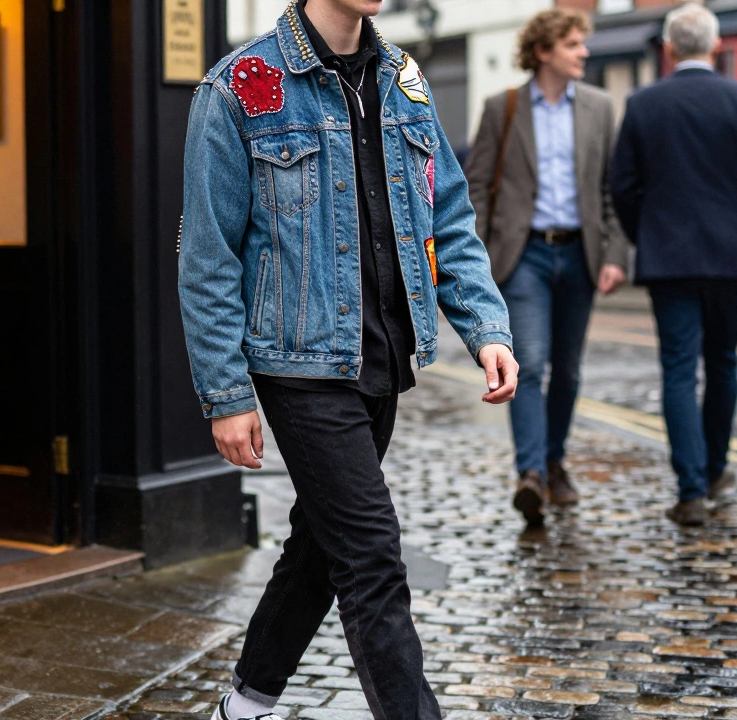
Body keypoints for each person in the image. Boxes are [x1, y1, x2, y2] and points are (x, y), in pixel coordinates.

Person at [177, 1, 519, 718]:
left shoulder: (402, 77)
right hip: (298, 364)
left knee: (320, 547)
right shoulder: (239, 87)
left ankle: (243, 703)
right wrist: (228, 393)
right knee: (371, 559)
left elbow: (448, 219)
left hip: (384, 358)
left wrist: (485, 326)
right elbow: (208, 257)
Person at [609, 2, 737, 526]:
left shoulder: (643, 104)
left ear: (668, 49)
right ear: (714, 46)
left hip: (669, 260)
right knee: (725, 364)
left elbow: (622, 186)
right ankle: (714, 470)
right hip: (731, 258)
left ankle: (690, 491)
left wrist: (651, 235)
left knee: (679, 371)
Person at [464, 8, 629, 526]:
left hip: (581, 254)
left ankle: (554, 461)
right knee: (529, 365)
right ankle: (531, 474)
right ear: (543, 52)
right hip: (525, 255)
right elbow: (476, 185)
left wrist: (615, 255)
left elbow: (612, 191)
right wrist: (480, 259)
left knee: (570, 369)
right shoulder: (503, 107)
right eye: (574, 44)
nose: (583, 52)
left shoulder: (601, 108)